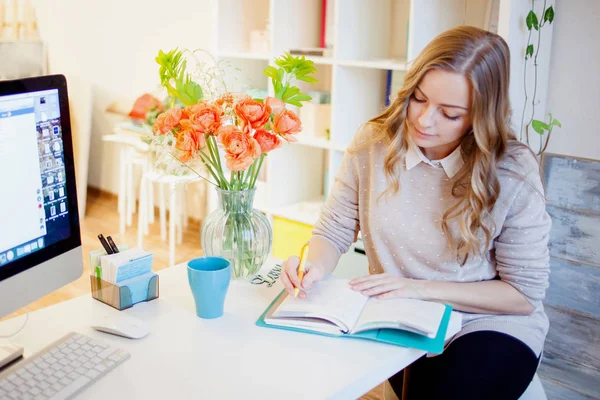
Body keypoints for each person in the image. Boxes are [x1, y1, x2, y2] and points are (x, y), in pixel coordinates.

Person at [280, 25, 551, 400]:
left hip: (487, 323)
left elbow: (523, 294)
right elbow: (334, 229)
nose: (424, 121)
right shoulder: (373, 143)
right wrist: (316, 268)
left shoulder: (512, 171)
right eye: (419, 99)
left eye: (450, 113)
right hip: (402, 319)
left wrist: (417, 289)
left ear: (480, 116)